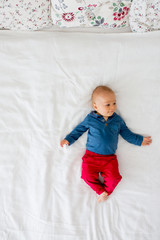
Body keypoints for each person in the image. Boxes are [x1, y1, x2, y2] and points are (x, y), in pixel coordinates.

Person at [60, 86, 152, 203]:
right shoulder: (90, 119)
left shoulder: (117, 120)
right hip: (91, 157)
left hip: (109, 159)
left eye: (114, 103)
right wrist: (68, 139)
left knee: (115, 178)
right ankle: (100, 191)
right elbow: (79, 130)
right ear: (95, 106)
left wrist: (139, 140)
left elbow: (126, 133)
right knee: (86, 176)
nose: (112, 107)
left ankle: (106, 192)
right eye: (107, 105)